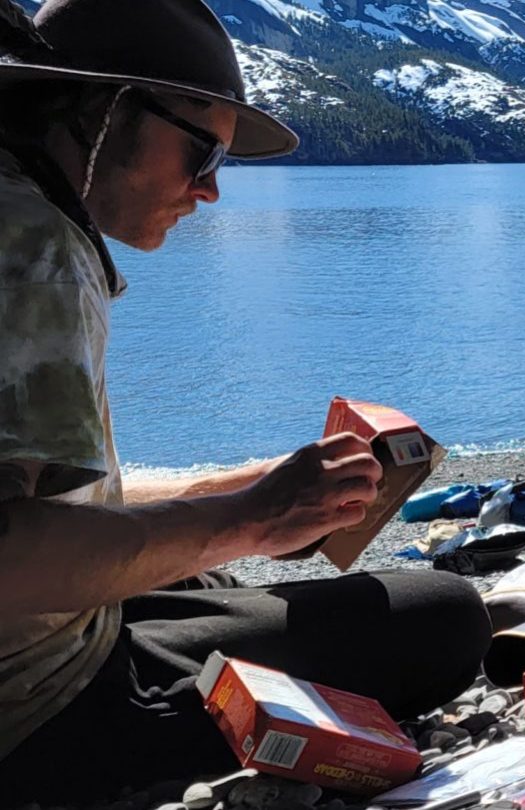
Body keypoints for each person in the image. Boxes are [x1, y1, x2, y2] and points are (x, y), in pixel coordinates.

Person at [0, 0, 491, 801]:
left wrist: (235, 488)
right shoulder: (33, 250)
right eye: (202, 154)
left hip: (58, 635)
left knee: (250, 591)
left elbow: (53, 498)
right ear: (103, 109)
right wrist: (252, 522)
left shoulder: (24, 213)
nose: (210, 192)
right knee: (441, 617)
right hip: (34, 711)